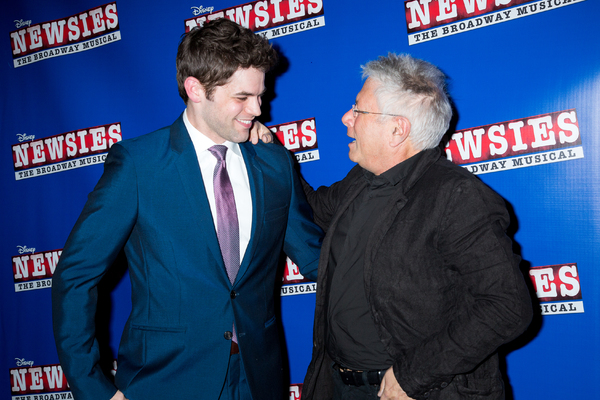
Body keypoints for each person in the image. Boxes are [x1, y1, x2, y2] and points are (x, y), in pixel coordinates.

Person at [51, 18, 322, 400]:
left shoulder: (274, 164)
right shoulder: (139, 165)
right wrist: (93, 389)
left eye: (260, 95)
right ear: (196, 89)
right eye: (242, 98)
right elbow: (76, 277)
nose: (258, 109)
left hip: (258, 381)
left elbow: (318, 261)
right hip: (164, 381)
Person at [299, 54, 533, 400]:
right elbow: (311, 209)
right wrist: (264, 149)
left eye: (358, 110)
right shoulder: (360, 181)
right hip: (340, 386)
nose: (347, 119)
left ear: (397, 129)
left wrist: (413, 375)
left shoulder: (457, 196)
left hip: (419, 391)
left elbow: (506, 306)